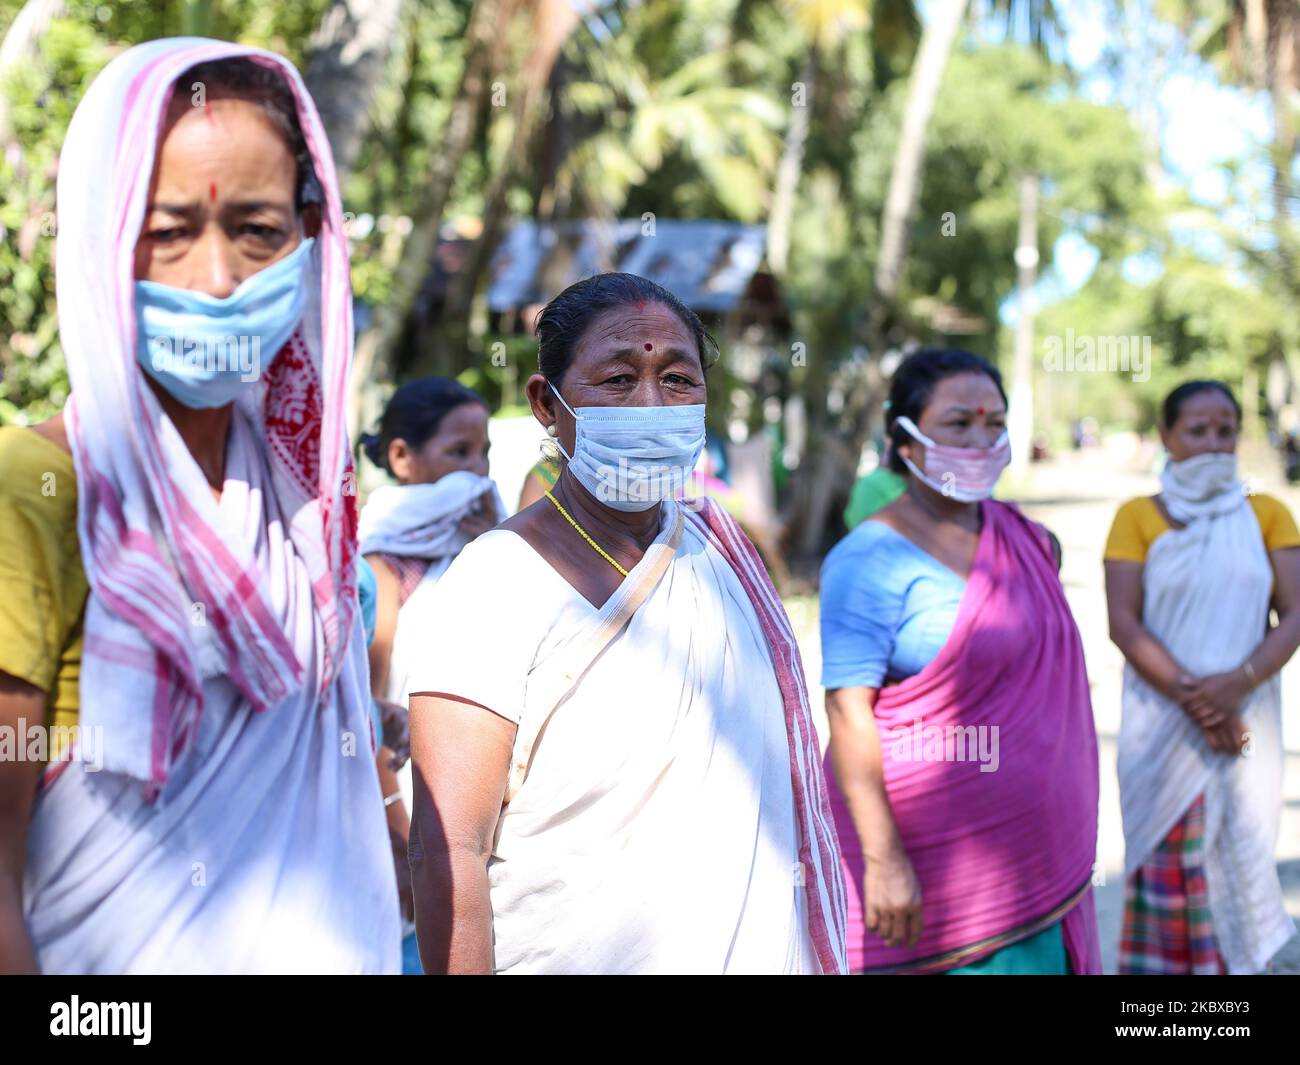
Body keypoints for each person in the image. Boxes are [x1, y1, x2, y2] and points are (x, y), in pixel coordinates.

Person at [0, 40, 399, 973]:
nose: (217, 280)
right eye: (170, 229)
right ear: (101, 239)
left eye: (257, 230)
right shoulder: (35, 495)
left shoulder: (307, 507)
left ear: (309, 234)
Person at [406, 272, 848, 974]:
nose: (650, 403)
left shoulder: (722, 553)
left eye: (677, 379)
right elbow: (448, 845)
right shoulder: (495, 582)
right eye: (617, 379)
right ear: (546, 405)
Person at [819, 348, 1101, 974]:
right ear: (906, 440)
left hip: (1033, 861)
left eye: (994, 423)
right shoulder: (867, 559)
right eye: (958, 423)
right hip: (922, 864)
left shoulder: (1029, 541)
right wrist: (884, 861)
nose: (981, 440)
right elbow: (846, 712)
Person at [1104, 380, 1300, 974]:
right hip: (1163, 726)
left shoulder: (1267, 514)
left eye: (1225, 430)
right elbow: (1124, 624)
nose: (1214, 444)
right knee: (1173, 869)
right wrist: (1202, 703)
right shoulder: (1135, 518)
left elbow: (1294, 613)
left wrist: (1235, 686)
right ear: (1166, 436)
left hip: (1247, 720)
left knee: (1239, 859)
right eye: (1197, 430)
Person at [357, 377, 505, 973]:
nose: (476, 472)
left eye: (485, 453)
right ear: (402, 458)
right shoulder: (381, 566)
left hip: (485, 823)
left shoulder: (499, 551)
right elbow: (367, 715)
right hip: (402, 821)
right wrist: (401, 837)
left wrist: (495, 547)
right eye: (458, 453)